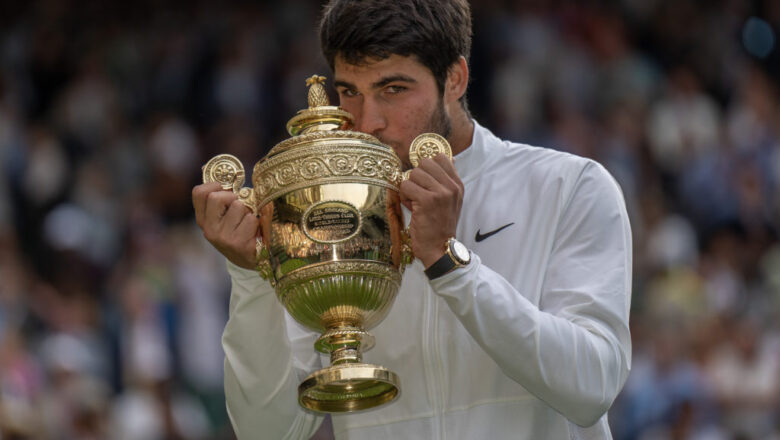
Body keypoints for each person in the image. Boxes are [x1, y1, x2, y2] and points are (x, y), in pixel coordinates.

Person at [191, 0, 632, 438]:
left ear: (454, 79)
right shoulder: (323, 212)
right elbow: (268, 431)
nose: (367, 123)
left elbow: (592, 387)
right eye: (349, 92)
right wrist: (252, 278)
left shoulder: (569, 186)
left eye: (393, 90)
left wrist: (449, 264)